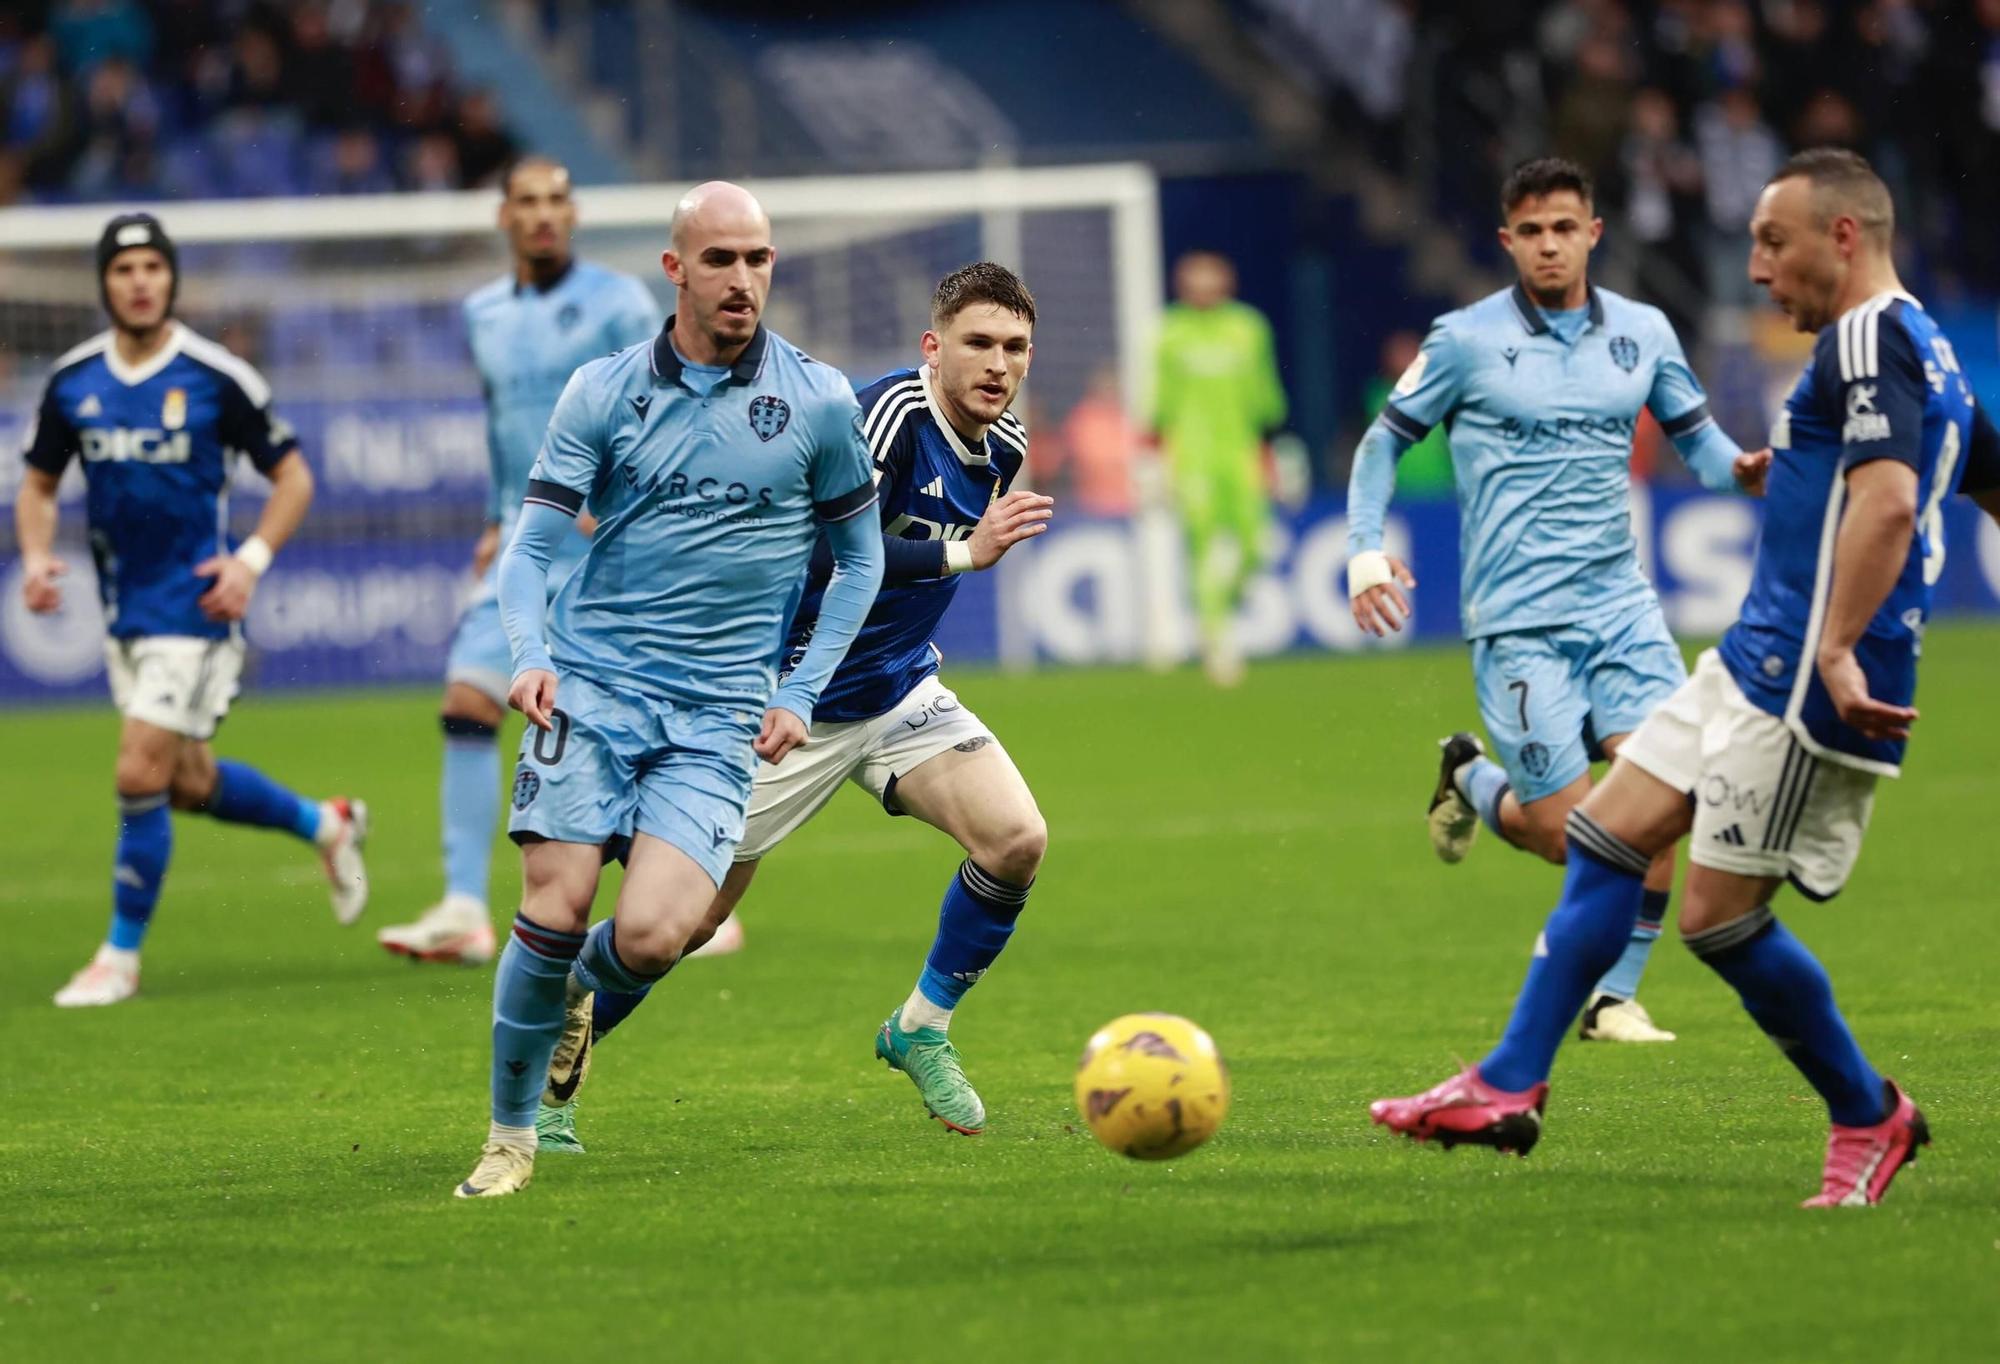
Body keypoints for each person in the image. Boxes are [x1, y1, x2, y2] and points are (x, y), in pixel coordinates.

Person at [1370, 148, 2000, 1207]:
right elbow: (1985, 474)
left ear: (1840, 236)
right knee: (1608, 835)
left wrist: (1839, 646)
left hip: (1807, 679)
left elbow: (1891, 502)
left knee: (1713, 917)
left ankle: (1866, 1112)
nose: (1755, 268)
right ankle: (1507, 1082)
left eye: (1771, 241)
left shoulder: (1864, 341)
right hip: (1753, 654)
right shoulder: (1922, 347)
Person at [533, 262, 1052, 1152]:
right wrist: (966, 555)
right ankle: (552, 1061)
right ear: (934, 348)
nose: (997, 365)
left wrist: (957, 560)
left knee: (1016, 840)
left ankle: (920, 1027)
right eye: (978, 343)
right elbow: (818, 554)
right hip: (781, 701)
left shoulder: (1003, 441)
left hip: (891, 693)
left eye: (1015, 349)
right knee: (678, 930)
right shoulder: (882, 419)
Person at [454, 182, 886, 1199]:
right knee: (550, 905)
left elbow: (858, 561)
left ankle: (566, 999)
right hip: (592, 692)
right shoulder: (602, 391)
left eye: (759, 259)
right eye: (722, 259)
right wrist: (527, 654)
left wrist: (799, 689)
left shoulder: (819, 400)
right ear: (675, 268)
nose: (743, 279)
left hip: (720, 715)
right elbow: (531, 553)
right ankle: (508, 1136)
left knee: (653, 936)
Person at [1346, 157, 1768, 1044]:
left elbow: (1698, 442)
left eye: (1563, 228)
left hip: (1621, 606)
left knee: (1666, 795)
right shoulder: (1463, 340)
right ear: (1508, 241)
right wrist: (1363, 552)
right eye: (1530, 231)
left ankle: (1613, 996)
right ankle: (1468, 775)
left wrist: (1745, 471)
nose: (1548, 245)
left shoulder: (1645, 333)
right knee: (1564, 836)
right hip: (1517, 622)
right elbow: (1383, 443)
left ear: (1593, 234)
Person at [14, 212, 369, 1008]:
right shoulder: (73, 380)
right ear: (104, 283)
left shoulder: (216, 375)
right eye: (123, 268)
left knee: (137, 766)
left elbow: (295, 478)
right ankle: (327, 824)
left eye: (152, 267)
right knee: (181, 782)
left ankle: (120, 958)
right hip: (123, 610)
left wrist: (249, 562)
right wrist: (37, 556)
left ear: (170, 278)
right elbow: (38, 484)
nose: (139, 281)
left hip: (197, 602)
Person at [375, 156, 663, 967]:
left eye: (557, 201)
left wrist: (626, 510)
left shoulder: (619, 303)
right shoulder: (483, 313)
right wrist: (499, 513)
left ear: (574, 215)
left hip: (605, 543)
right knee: (468, 701)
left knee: (615, 725)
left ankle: (674, 892)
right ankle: (465, 905)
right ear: (502, 217)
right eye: (527, 202)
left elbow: (658, 407)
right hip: (523, 537)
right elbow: (506, 421)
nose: (543, 215)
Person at [1151, 251, 1287, 686]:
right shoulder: (1170, 332)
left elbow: (1265, 397)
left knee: (1255, 545)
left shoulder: (1248, 328)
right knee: (1204, 549)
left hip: (1241, 452)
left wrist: (1269, 453)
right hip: (1193, 456)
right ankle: (1216, 639)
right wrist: (1158, 462)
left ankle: (1223, 607)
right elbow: (1160, 404)